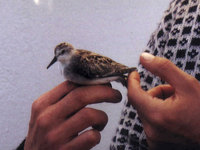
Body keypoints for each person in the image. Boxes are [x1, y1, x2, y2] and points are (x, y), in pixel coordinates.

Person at [16, 0, 200, 149]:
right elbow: (127, 141)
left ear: (69, 52)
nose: (57, 59)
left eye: (61, 54)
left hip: (115, 73)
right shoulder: (180, 11)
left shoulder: (79, 63)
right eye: (57, 56)